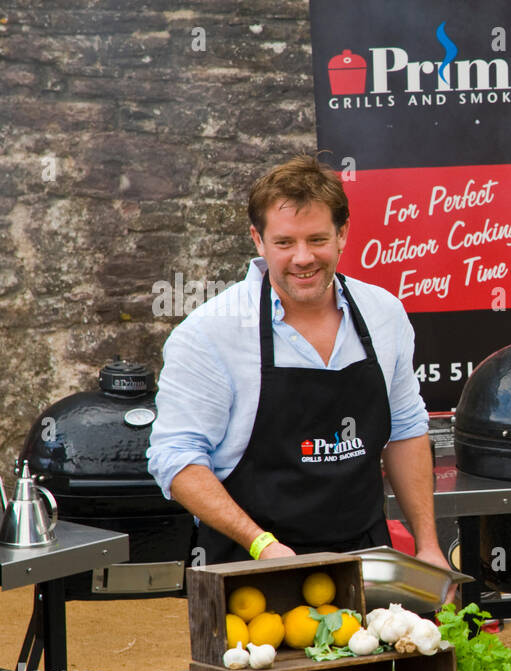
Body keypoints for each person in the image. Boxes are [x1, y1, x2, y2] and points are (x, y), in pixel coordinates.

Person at [147, 155, 450, 575]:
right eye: (285, 242)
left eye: (317, 239)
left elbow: (406, 430)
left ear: (343, 234)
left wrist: (428, 545)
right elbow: (176, 459)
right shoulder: (209, 333)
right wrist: (262, 545)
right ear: (258, 240)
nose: (303, 257)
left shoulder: (384, 313)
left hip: (365, 559)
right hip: (250, 567)